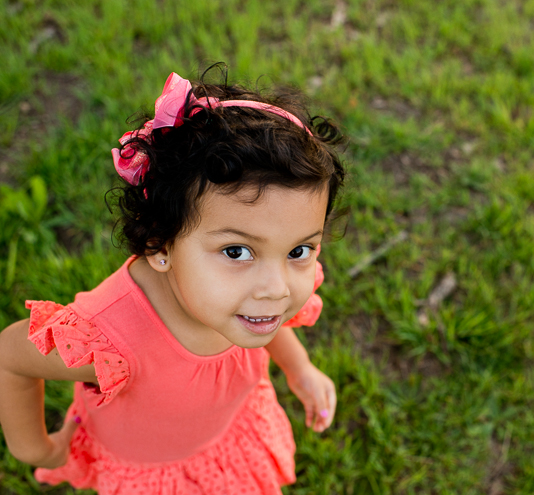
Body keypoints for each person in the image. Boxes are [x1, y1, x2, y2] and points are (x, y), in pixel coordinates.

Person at [0, 67, 346, 494]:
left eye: (298, 251)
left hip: (228, 433)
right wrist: (35, 449)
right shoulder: (109, 339)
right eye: (237, 252)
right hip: (154, 471)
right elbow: (10, 355)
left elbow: (266, 319)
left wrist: (298, 368)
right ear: (161, 246)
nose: (276, 288)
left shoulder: (241, 297)